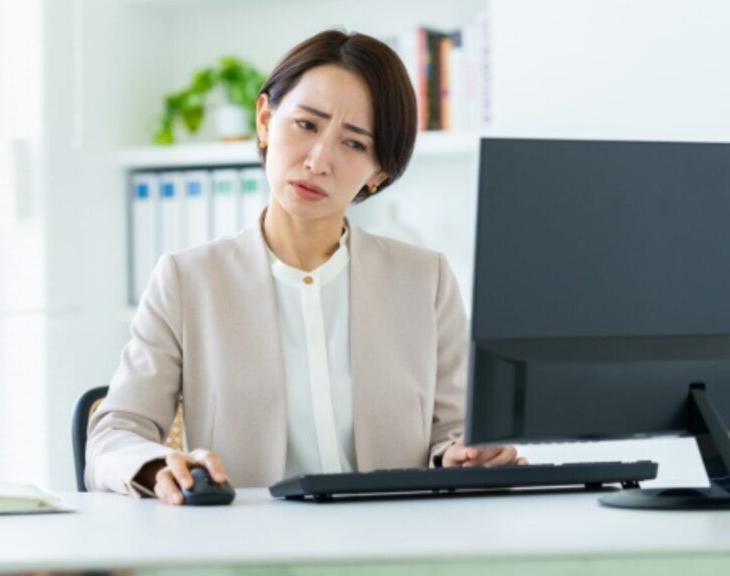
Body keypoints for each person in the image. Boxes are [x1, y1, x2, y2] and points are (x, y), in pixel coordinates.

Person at [86, 29, 526, 505]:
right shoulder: (186, 281)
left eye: (354, 143)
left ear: (378, 173)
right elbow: (115, 432)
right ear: (265, 120)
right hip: (248, 538)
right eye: (306, 125)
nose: (318, 161)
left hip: (395, 533)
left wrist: (464, 456)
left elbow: (454, 433)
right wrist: (158, 466)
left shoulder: (426, 281)